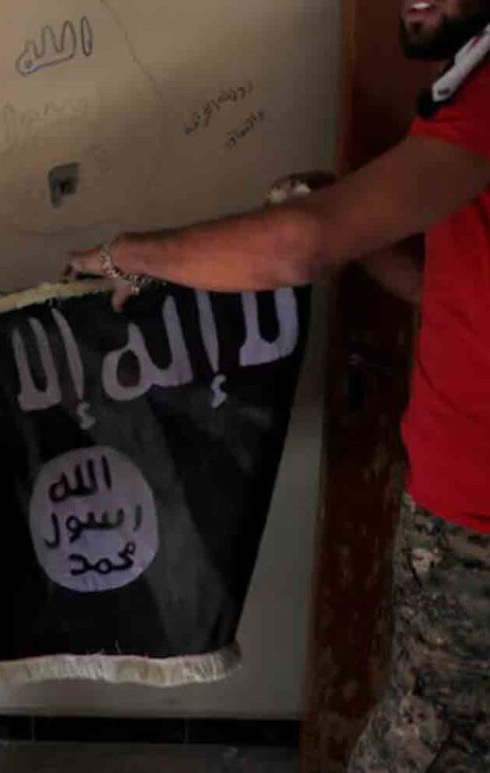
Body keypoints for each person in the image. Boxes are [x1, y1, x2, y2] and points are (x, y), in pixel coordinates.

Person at [69, 0, 490, 769]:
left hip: (477, 530)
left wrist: (131, 253)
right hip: (453, 509)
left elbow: (295, 247)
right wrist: (351, 231)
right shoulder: (466, 90)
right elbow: (452, 292)